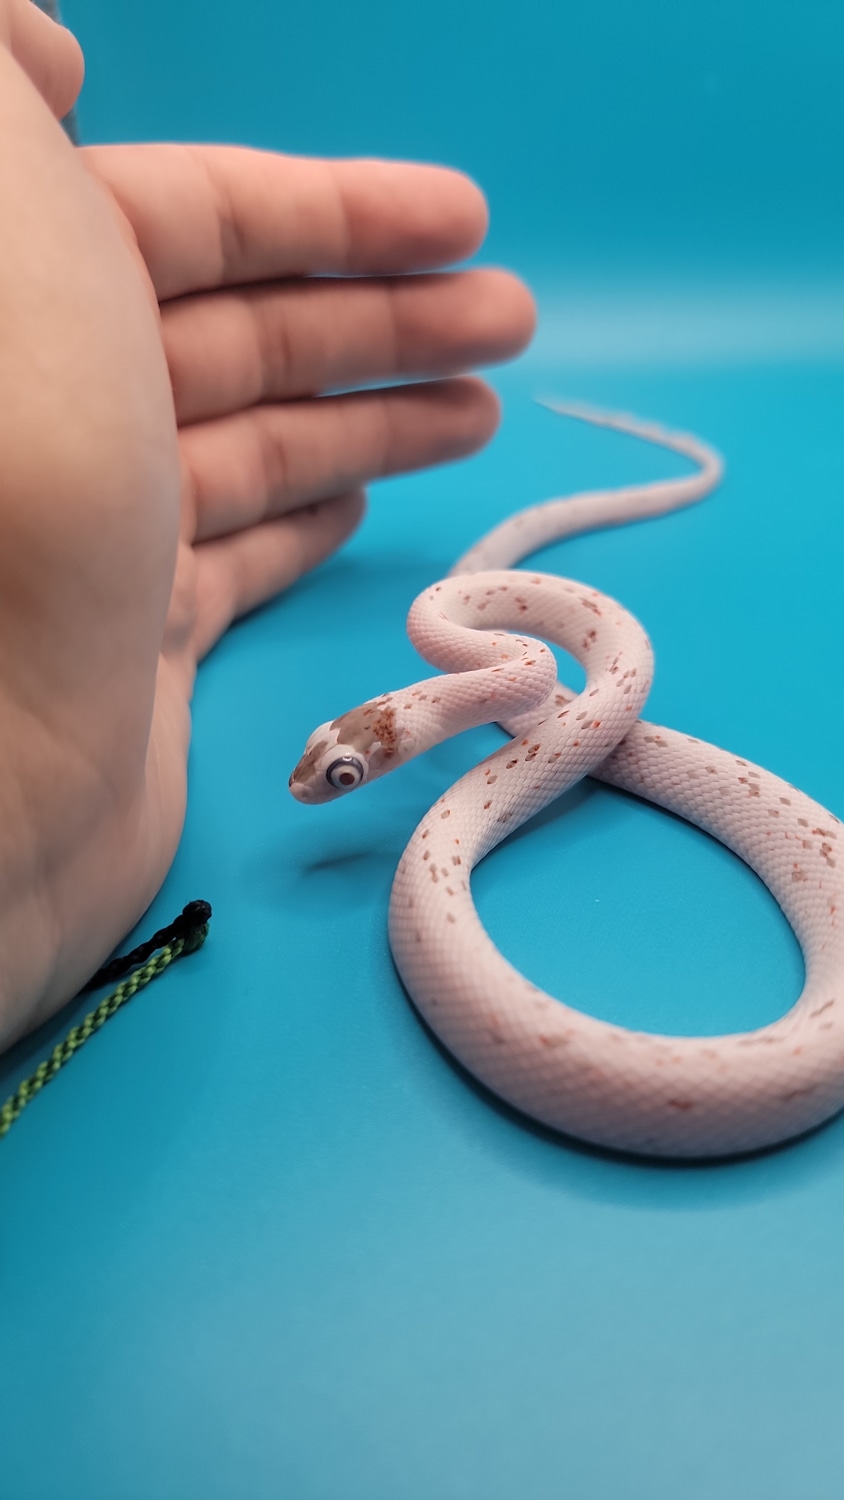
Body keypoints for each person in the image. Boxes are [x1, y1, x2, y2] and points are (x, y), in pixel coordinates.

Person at [0, 0, 535, 1052]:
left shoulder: (502, 678)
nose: (311, 790)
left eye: (338, 775)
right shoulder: (489, 673)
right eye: (336, 763)